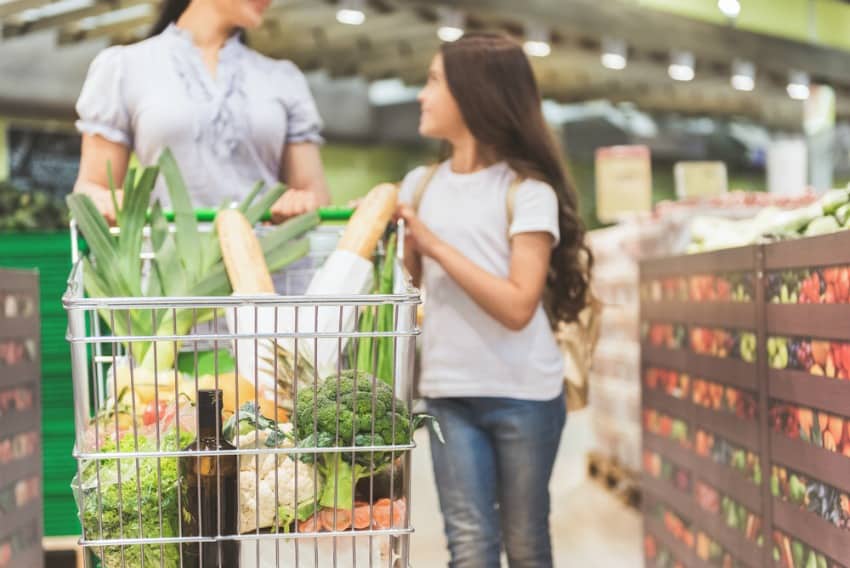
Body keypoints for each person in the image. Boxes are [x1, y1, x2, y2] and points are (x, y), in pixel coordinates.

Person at [396, 33, 593, 568]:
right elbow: (412, 289)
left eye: (434, 81)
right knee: (469, 546)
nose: (422, 94)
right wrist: (413, 256)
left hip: (522, 395)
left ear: (473, 93)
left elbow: (516, 306)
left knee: (526, 543)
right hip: (446, 393)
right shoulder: (419, 185)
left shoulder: (529, 192)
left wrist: (432, 243)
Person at [73, 0, 329, 224]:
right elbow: (93, 187)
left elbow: (314, 193)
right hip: (168, 268)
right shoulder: (124, 67)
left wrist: (300, 203)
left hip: (266, 266)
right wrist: (100, 201)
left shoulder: (284, 78)